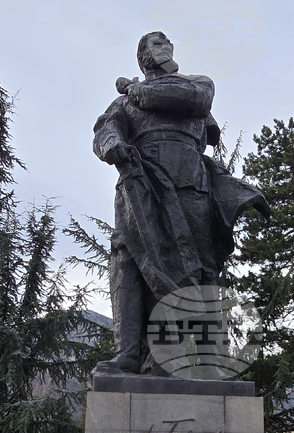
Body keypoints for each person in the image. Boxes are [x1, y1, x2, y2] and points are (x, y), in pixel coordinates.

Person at [92, 31, 270, 375]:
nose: (165, 46)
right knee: (128, 260)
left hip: (190, 184)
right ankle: (128, 353)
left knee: (198, 266)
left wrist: (134, 89)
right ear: (143, 56)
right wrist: (114, 145)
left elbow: (194, 100)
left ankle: (201, 357)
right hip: (139, 182)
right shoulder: (122, 104)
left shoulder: (196, 84)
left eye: (167, 43)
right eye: (156, 43)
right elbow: (104, 130)